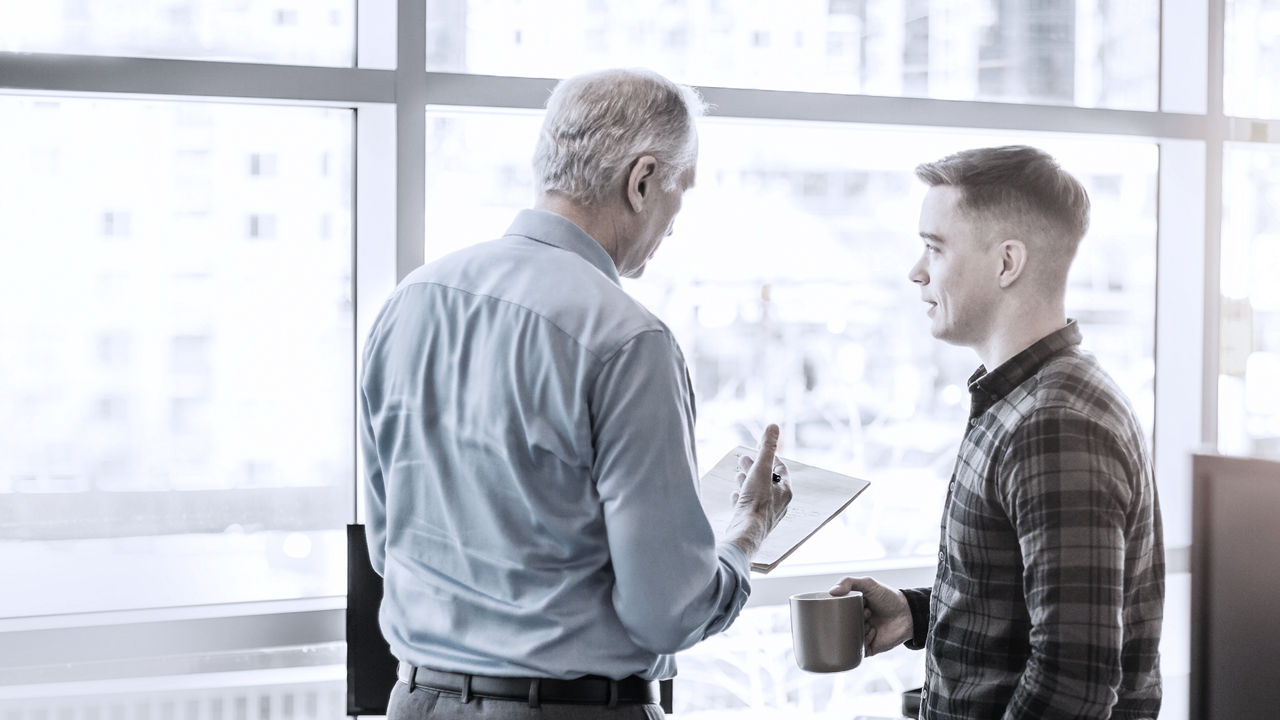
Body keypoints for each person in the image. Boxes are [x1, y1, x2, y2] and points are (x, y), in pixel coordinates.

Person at [358, 67, 792, 720]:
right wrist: (745, 534)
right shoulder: (627, 340)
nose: (675, 220)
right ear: (642, 181)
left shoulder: (410, 302)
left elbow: (386, 546)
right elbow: (666, 614)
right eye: (682, 189)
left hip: (416, 702)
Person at [831, 145, 1164, 719]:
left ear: (1007, 263)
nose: (916, 271)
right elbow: (1027, 605)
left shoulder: (1055, 423)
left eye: (934, 247)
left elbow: (1071, 686)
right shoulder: (1022, 399)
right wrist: (917, 612)